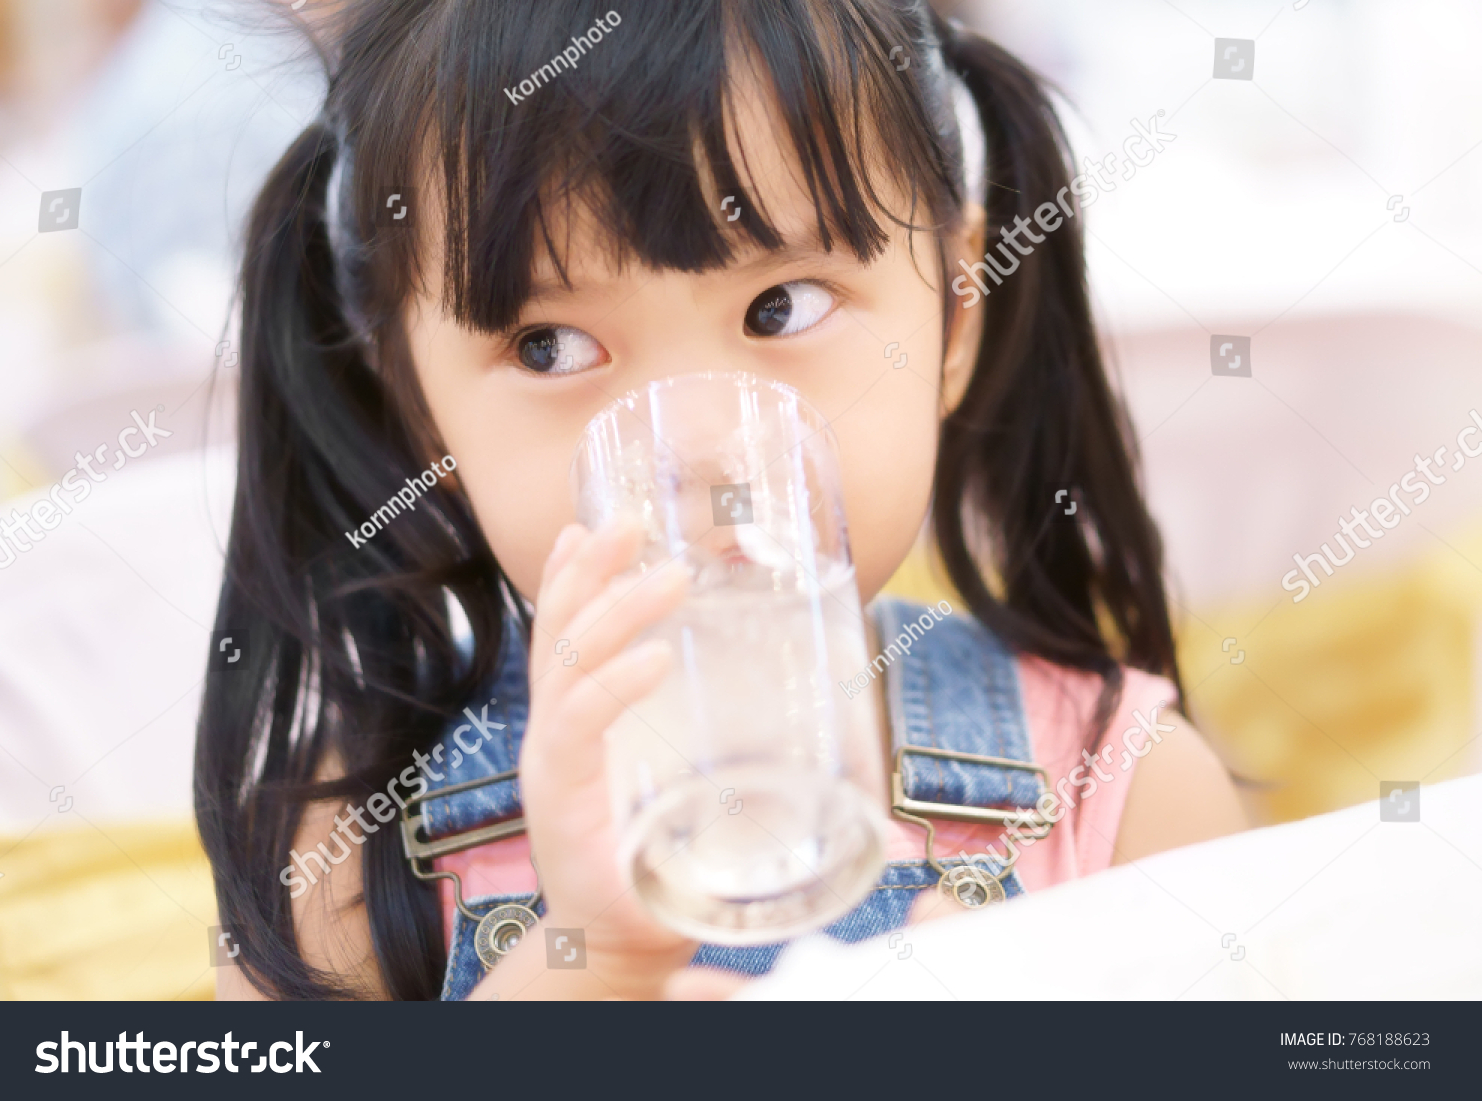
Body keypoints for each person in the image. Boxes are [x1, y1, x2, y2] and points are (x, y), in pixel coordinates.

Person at [198, 0, 1244, 1002]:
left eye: (780, 307)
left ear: (956, 313)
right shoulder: (343, 855)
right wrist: (585, 968)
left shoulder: (1127, 794)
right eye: (550, 347)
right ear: (421, 407)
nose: (696, 449)